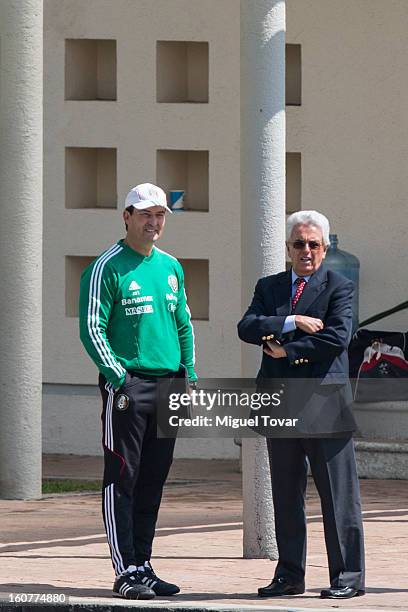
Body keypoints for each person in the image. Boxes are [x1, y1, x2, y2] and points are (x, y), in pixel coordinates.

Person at [237, 210, 365, 600]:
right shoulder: (270, 286)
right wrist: (293, 320)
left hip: (325, 403)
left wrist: (283, 350)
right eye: (299, 244)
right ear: (288, 248)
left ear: (325, 248)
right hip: (281, 402)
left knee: (338, 496)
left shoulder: (339, 286)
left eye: (313, 244)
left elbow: (337, 339)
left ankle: (348, 577)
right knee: (286, 494)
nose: (306, 250)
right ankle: (290, 575)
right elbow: (247, 327)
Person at [79, 183, 197, 600]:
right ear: (126, 216)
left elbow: (183, 323)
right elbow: (92, 328)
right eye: (145, 214)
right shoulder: (106, 267)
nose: (154, 222)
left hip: (169, 386)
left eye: (160, 215)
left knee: (153, 480)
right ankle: (124, 569)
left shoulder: (170, 266)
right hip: (128, 387)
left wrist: (189, 374)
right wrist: (118, 376)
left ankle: (143, 564)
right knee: (123, 477)